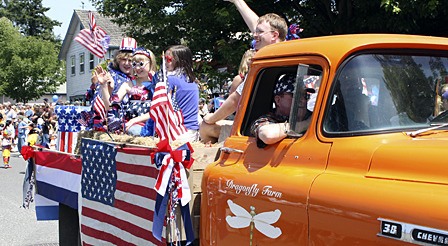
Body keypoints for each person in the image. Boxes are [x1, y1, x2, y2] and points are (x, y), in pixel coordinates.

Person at [200, 0, 288, 143]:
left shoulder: (265, 62)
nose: (254, 35)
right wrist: (238, 2)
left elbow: (235, 99)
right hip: (275, 125)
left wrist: (210, 118)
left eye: (259, 32)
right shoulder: (289, 53)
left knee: (205, 126)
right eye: (255, 31)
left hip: (266, 127)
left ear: (274, 35)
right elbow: (259, 26)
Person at [130, 45, 200, 142]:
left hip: (177, 133)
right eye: (164, 59)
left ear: (180, 61)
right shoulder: (192, 81)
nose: (165, 62)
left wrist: (134, 120)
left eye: (169, 59)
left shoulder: (170, 80)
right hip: (193, 132)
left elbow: (159, 108)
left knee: (131, 129)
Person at [98, 47, 155, 135]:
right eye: (134, 64)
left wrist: (134, 120)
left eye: (141, 64)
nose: (137, 67)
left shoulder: (157, 84)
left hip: (151, 125)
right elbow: (111, 106)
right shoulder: (128, 84)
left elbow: (157, 110)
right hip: (130, 127)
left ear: (151, 64)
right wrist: (104, 86)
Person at [250, 73, 314, 148]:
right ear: (278, 100)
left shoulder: (313, 116)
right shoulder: (267, 119)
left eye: (305, 95)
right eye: (295, 96)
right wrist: (306, 124)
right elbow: (267, 135)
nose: (302, 100)